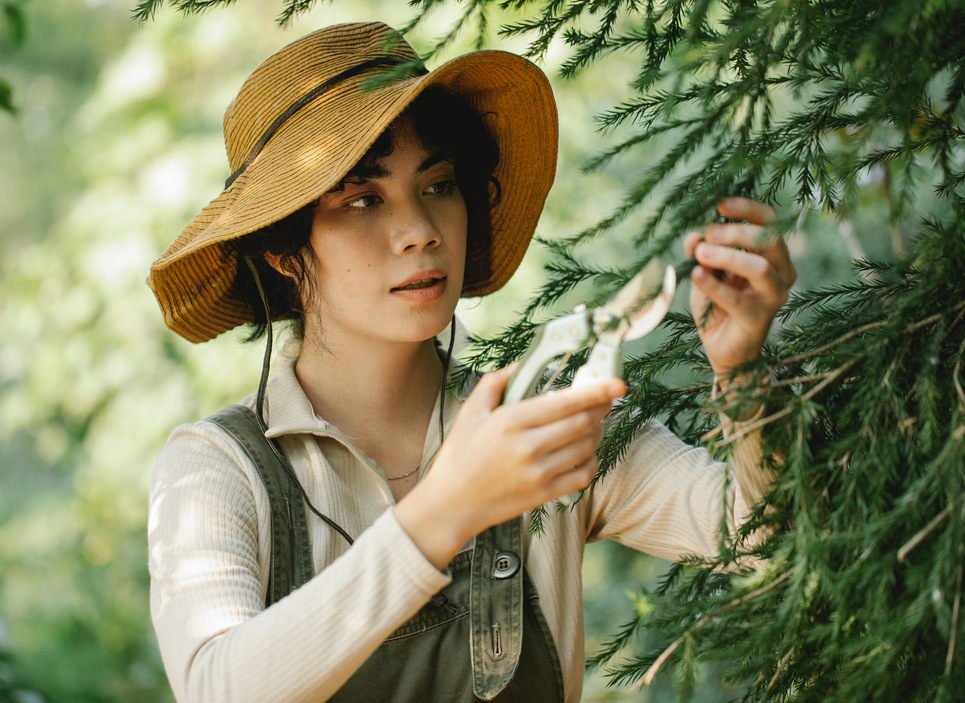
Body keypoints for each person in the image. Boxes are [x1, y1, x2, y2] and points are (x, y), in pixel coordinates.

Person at [146, 21, 796, 703]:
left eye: (439, 185)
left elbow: (762, 537)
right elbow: (217, 688)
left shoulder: (544, 423)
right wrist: (443, 510)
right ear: (281, 247)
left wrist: (743, 371)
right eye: (363, 199)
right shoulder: (217, 468)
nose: (421, 230)